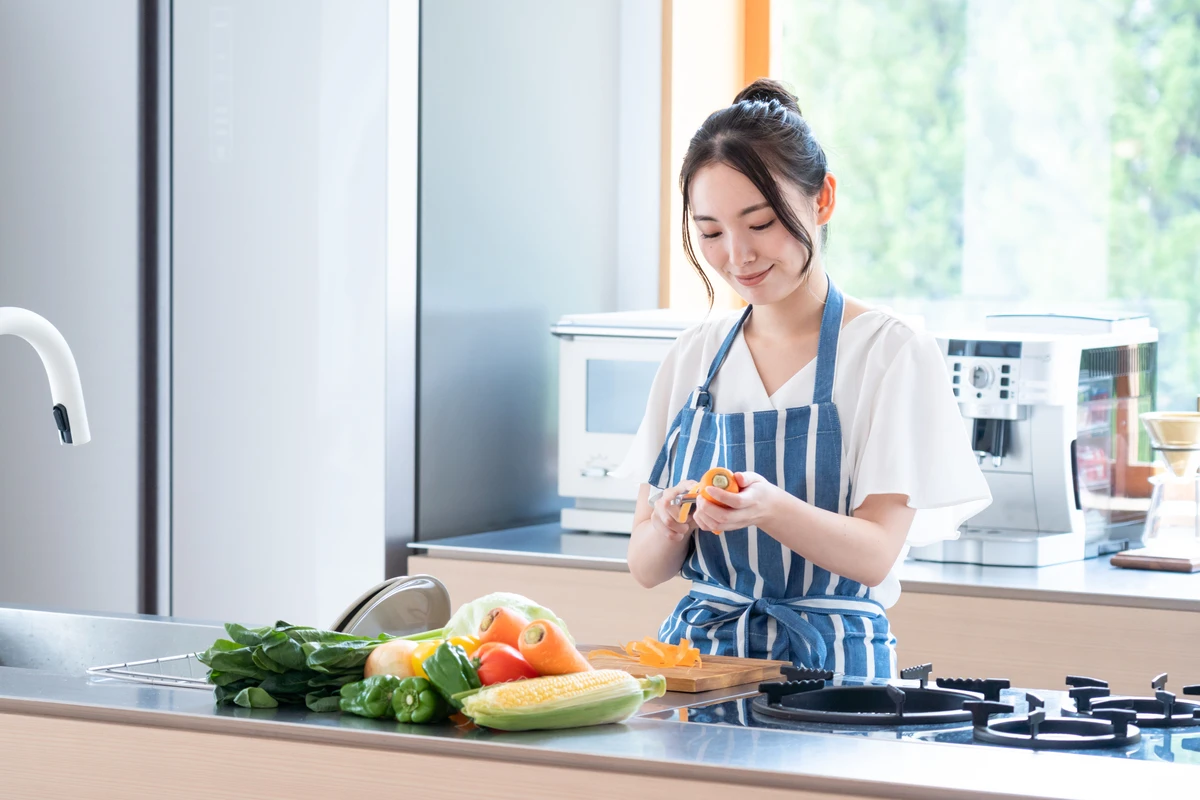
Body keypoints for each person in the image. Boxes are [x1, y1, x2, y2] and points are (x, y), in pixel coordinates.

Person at [621, 79, 991, 678]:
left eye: (761, 223)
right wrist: (668, 522)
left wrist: (769, 507)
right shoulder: (694, 358)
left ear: (822, 201)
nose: (737, 256)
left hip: (836, 674)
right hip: (699, 667)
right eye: (711, 232)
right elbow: (644, 566)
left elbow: (874, 554)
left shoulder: (888, 352)